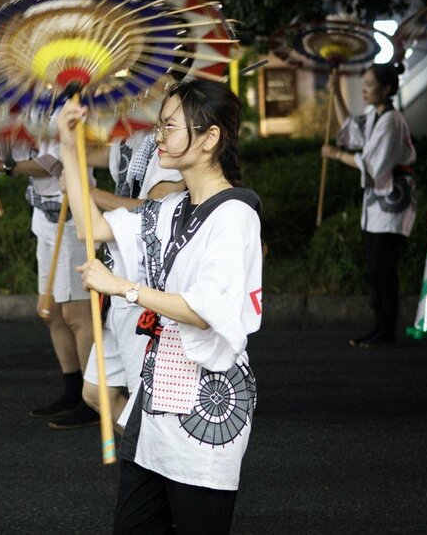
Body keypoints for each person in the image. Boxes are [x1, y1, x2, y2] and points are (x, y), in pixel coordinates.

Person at [59, 79, 263, 534]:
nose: (159, 136)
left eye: (170, 126)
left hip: (204, 412)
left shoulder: (235, 216)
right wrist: (67, 148)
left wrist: (124, 287)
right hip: (156, 408)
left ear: (210, 138)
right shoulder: (172, 208)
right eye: (160, 125)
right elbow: (89, 227)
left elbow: (205, 310)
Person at [0, 110, 99, 430]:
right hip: (43, 216)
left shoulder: (67, 107)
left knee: (78, 315)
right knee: (52, 313)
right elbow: (8, 151)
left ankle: (94, 400)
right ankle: (72, 391)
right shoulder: (27, 108)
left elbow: (54, 162)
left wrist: (6, 166)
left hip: (72, 217)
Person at [74, 129, 185, 429]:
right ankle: (147, 461)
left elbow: (153, 211)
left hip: (146, 287)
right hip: (118, 280)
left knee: (147, 404)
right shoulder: (139, 138)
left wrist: (92, 194)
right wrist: (67, 141)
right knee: (96, 394)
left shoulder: (174, 146)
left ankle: (153, 466)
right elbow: (88, 152)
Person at [322, 62, 416, 349]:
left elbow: (373, 165)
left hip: (393, 204)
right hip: (378, 205)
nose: (364, 89)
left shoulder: (391, 120)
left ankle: (387, 330)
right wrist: (336, 92)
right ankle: (381, 327)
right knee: (376, 268)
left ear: (386, 90)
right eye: (363, 83)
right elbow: (351, 128)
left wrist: (336, 155)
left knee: (382, 268)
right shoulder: (376, 116)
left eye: (370, 84)